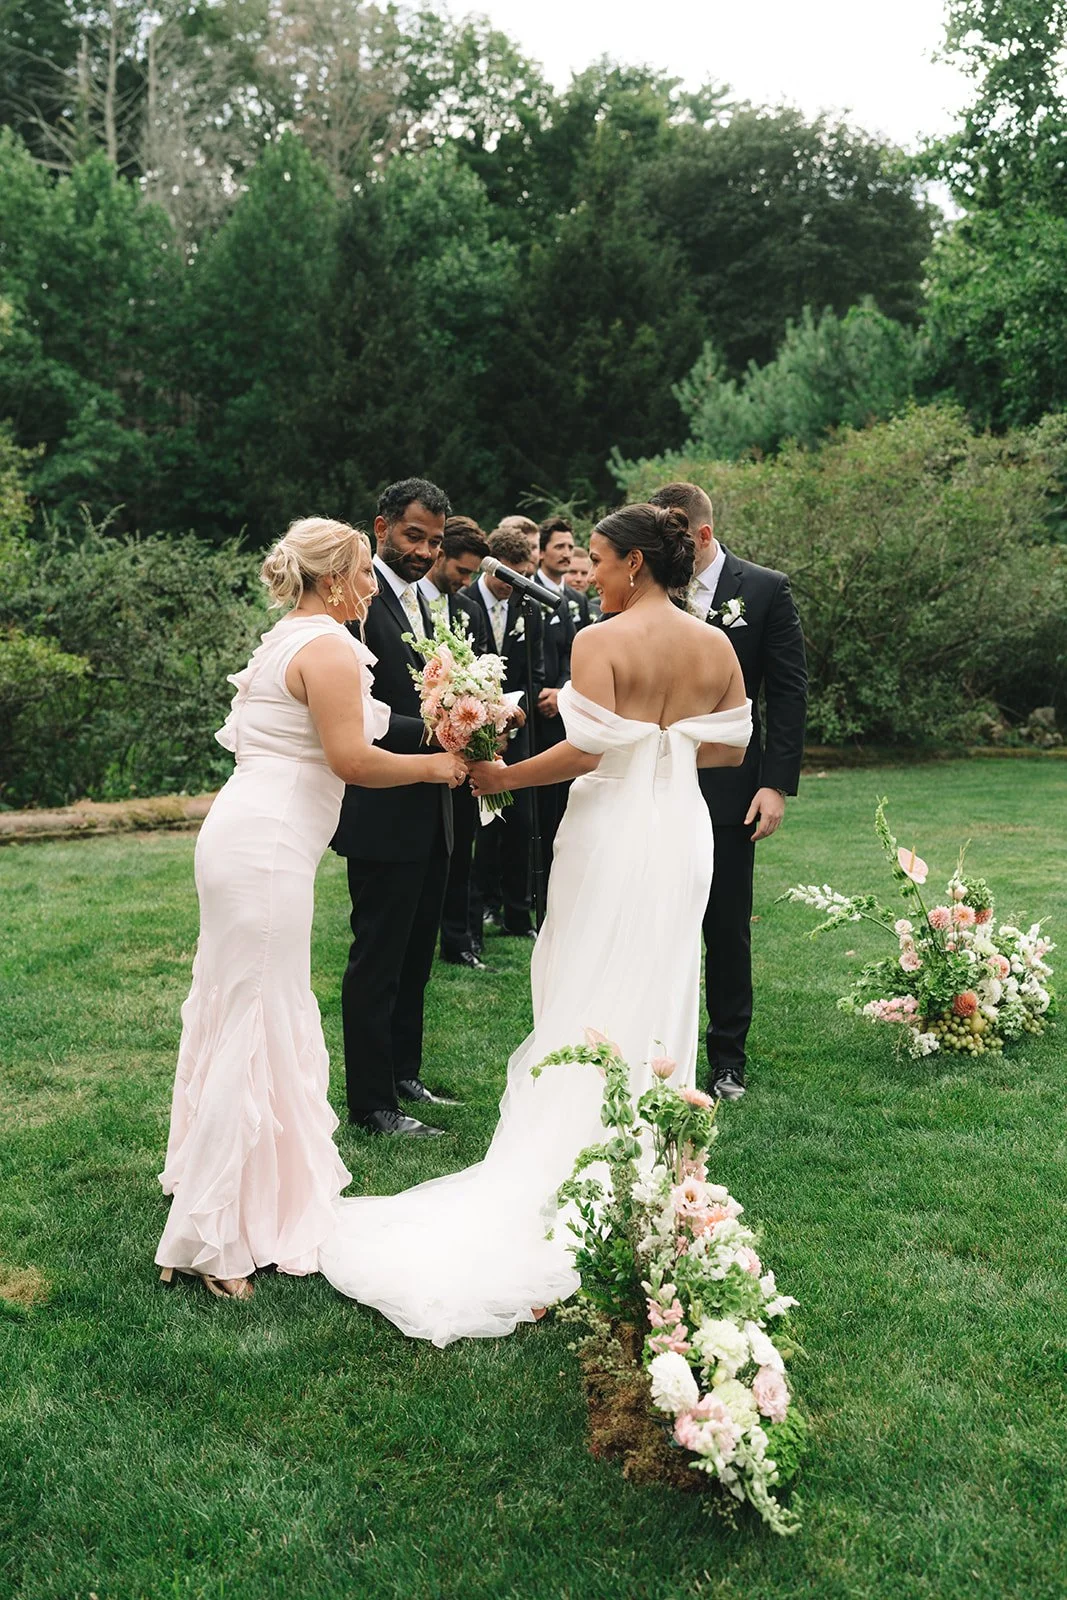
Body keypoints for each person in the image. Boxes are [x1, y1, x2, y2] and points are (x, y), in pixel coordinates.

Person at [318, 504, 752, 1345]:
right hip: (680, 829)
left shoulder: (601, 641)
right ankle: (646, 1160)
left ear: (633, 564)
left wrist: (500, 777)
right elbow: (731, 747)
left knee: (582, 978)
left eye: (596, 560)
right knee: (660, 972)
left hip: (610, 826)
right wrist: (663, 746)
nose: (588, 575)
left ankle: (569, 1152)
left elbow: (585, 750)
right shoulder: (714, 647)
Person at [155, 518, 466, 1300]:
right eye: (363, 572)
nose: (371, 585)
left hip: (251, 836)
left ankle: (212, 1195)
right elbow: (351, 759)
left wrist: (450, 719)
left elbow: (351, 728)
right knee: (254, 1017)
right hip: (264, 850)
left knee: (241, 1009)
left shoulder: (288, 638)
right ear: (333, 580)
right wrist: (442, 766)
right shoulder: (327, 647)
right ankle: (211, 1241)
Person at [648, 481, 807, 1102]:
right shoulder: (650, 589)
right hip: (657, 778)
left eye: (672, 541)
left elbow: (787, 692)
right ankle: (661, 1047)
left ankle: (727, 1060)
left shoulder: (764, 589)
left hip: (733, 783)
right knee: (660, 915)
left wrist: (774, 783)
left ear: (702, 535)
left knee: (726, 922)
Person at [332, 477, 464, 1137]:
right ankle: (372, 1102)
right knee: (379, 957)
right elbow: (360, 716)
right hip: (382, 807)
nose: (424, 550)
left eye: (434, 541)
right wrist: (441, 730)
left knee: (417, 953)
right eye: (414, 536)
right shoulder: (359, 600)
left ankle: (404, 1073)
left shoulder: (422, 602)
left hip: (431, 804)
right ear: (381, 526)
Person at [464, 526, 546, 939]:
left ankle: (518, 914)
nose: (512, 587)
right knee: (482, 828)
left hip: (518, 732)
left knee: (521, 824)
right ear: (489, 566)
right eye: (506, 577)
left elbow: (536, 671)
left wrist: (514, 715)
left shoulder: (528, 609)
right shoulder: (465, 603)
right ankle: (476, 913)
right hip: (473, 731)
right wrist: (486, 724)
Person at [420, 517, 493, 970]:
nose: (466, 582)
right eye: (462, 571)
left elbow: (483, 663)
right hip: (416, 747)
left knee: (463, 845)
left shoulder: (468, 607)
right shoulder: (408, 606)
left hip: (464, 747)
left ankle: (460, 938)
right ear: (441, 555)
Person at [533, 517, 586, 863]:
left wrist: (562, 689)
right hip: (532, 712)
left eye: (571, 546)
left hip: (564, 708)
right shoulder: (525, 592)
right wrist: (540, 692)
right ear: (540, 552)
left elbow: (575, 649)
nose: (567, 554)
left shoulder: (575, 600)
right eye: (559, 547)